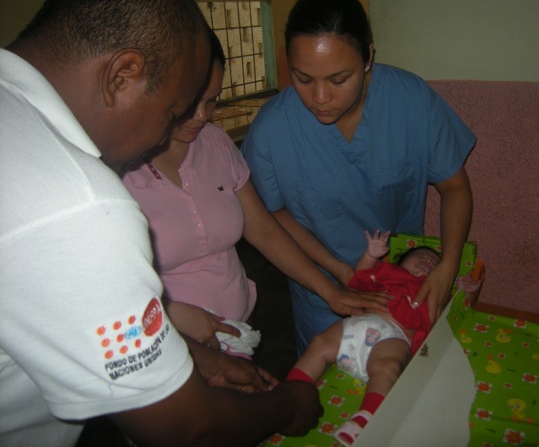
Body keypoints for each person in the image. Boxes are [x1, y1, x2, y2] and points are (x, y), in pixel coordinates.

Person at [0, 0, 322, 446]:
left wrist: (198, 356)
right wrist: (288, 405)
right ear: (123, 75)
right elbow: (184, 427)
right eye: (173, 111)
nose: (166, 134)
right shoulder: (80, 208)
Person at [120, 29, 390, 357]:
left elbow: (263, 229)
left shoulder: (215, 144)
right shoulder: (119, 170)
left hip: (237, 331)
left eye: (212, 101)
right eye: (189, 104)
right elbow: (97, 287)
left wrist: (329, 290)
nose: (203, 117)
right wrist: (169, 314)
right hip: (163, 344)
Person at [241, 0, 477, 355]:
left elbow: (455, 186)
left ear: (368, 57)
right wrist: (336, 271)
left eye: (338, 80)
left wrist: (448, 266)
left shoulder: (411, 101)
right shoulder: (272, 131)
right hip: (322, 297)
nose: (320, 98)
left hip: (400, 288)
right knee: (333, 390)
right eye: (303, 78)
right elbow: (273, 216)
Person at [286, 230, 482, 446]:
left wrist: (463, 294)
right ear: (400, 262)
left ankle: (365, 418)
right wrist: (371, 255)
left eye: (434, 263)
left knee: (388, 366)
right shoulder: (387, 275)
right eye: (421, 256)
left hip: (394, 337)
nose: (427, 261)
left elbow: (449, 318)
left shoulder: (434, 294)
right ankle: (289, 394)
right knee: (318, 344)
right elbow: (358, 280)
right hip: (357, 327)